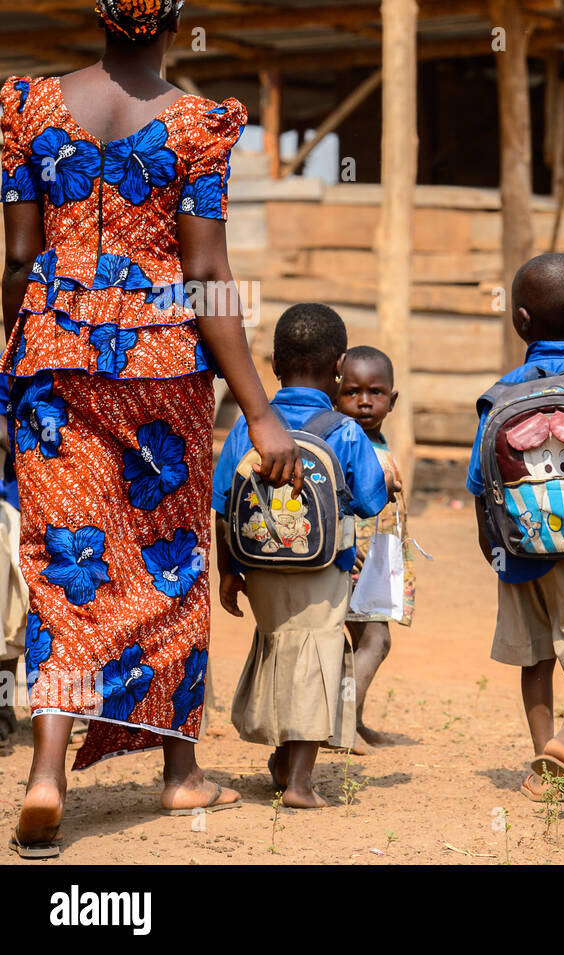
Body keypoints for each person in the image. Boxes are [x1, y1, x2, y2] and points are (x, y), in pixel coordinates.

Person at [2, 0, 303, 858]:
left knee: (67, 563)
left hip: (50, 357)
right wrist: (258, 405)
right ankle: (178, 775)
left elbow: (20, 259)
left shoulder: (25, 105)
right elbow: (207, 272)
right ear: (173, 22)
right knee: (166, 556)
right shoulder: (199, 125)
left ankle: (45, 772)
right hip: (162, 364)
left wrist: (18, 360)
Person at [212, 304, 389, 809]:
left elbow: (224, 505)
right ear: (339, 367)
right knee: (317, 659)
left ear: (273, 364)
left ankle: (282, 760)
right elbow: (371, 499)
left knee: (280, 651)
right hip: (324, 569)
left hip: (259, 568)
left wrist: (230, 573)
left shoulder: (251, 428)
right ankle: (300, 784)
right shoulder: (346, 431)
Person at [468, 253, 564, 818]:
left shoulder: (498, 394)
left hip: (519, 548)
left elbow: (477, 481)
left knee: (534, 656)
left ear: (520, 320)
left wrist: (492, 543)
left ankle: (543, 760)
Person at [336, 345, 412, 749]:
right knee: (375, 641)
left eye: (376, 393)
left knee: (362, 641)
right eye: (352, 392)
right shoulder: (344, 446)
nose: (364, 402)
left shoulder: (376, 442)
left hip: (375, 566)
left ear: (392, 400)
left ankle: (354, 717)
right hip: (350, 563)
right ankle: (343, 723)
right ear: (336, 395)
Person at [0, 377, 25, 741]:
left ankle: (75, 709)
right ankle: (3, 708)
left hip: (72, 510)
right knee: (8, 616)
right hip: (12, 504)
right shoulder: (10, 374)